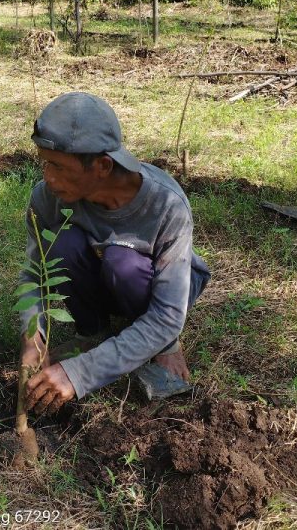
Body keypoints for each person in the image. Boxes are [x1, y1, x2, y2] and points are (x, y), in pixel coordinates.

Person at [18, 92, 211, 416]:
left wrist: (79, 374)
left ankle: (160, 347)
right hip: (102, 272)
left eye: (58, 167)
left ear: (103, 166)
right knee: (62, 244)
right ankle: (94, 332)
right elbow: (33, 273)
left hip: (155, 283)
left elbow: (166, 315)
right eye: (44, 163)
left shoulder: (166, 205)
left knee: (123, 262)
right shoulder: (48, 198)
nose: (47, 178)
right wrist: (32, 337)